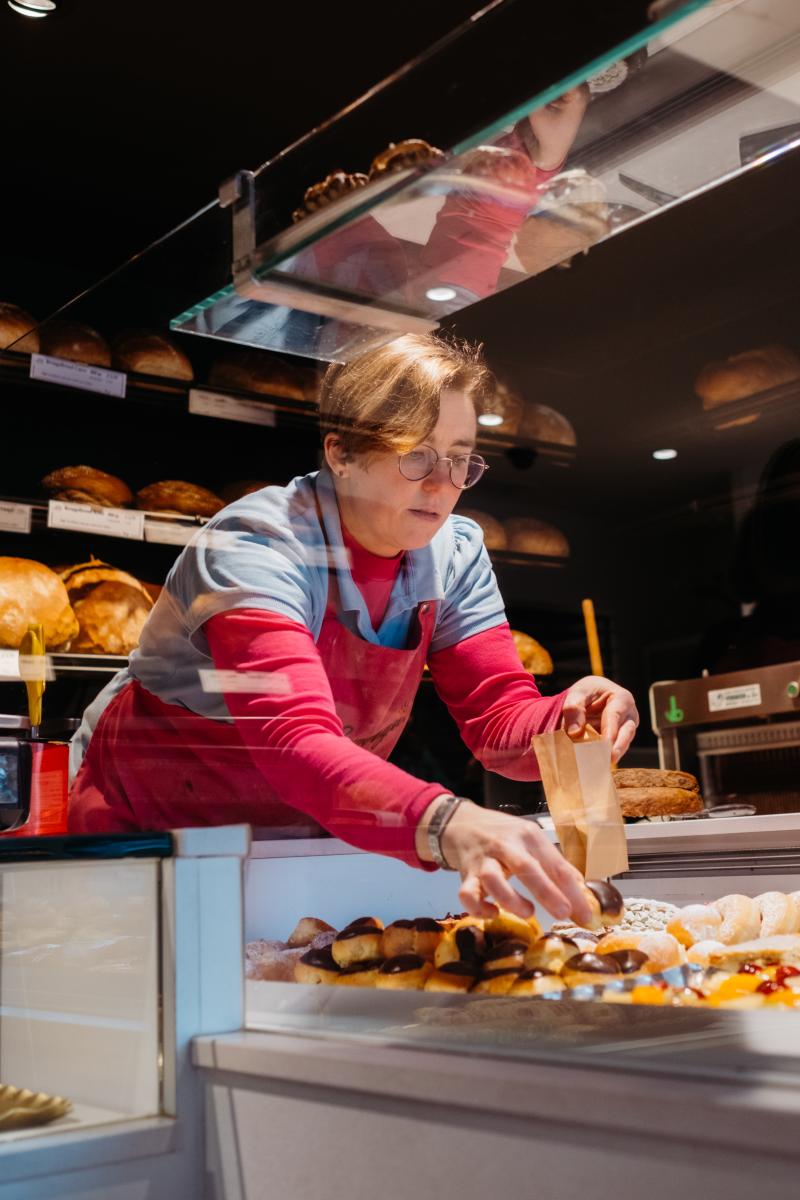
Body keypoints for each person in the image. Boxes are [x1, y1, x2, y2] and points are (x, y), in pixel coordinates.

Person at [69, 334, 638, 925]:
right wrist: (447, 824)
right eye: (415, 454)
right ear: (340, 454)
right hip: (147, 840)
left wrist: (566, 718)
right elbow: (293, 744)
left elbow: (497, 725)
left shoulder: (454, 552)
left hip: (304, 838)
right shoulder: (257, 545)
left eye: (461, 457)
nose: (442, 483)